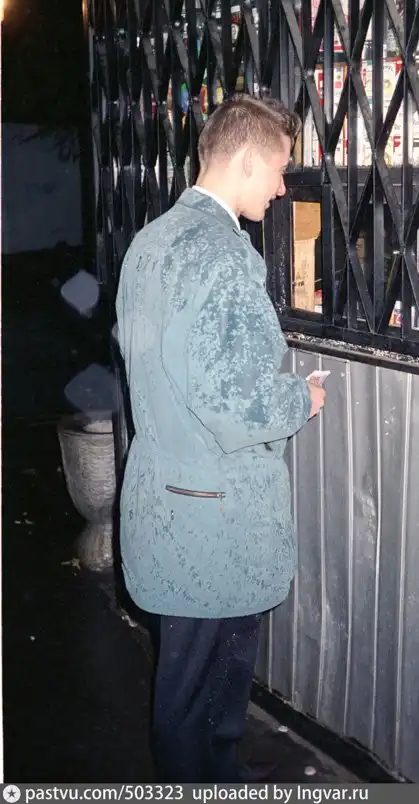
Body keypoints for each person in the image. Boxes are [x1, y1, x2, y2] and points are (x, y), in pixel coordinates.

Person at [115, 94, 327, 782]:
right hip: (213, 510)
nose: (281, 188)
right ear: (245, 161)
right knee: (203, 684)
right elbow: (233, 402)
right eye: (279, 169)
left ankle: (221, 773)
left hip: (167, 496)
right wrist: (300, 397)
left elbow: (153, 362)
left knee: (198, 677)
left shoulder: (150, 242)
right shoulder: (223, 255)